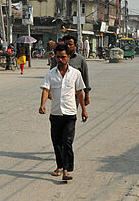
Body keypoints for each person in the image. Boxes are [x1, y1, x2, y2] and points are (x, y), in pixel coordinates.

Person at [39, 43, 88, 181]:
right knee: (57, 142)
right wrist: (42, 105)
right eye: (58, 57)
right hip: (55, 114)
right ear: (54, 57)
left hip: (70, 113)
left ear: (69, 56)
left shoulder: (76, 74)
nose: (60, 60)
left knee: (67, 141)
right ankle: (59, 166)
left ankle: (67, 169)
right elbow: (45, 90)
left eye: (63, 57)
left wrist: (84, 110)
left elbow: (79, 93)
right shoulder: (50, 74)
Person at [51, 35, 91, 106]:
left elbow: (85, 77)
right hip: (59, 93)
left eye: (70, 44)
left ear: (75, 45)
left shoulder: (80, 59)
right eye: (66, 44)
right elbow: (51, 75)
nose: (68, 46)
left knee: (71, 113)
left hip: (74, 94)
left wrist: (87, 95)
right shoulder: (56, 58)